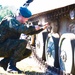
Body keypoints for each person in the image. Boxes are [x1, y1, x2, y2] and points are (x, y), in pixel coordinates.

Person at [0, 6, 49, 73]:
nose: (26, 20)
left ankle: (4, 63)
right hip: (1, 46)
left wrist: (42, 28)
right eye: (25, 18)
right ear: (19, 15)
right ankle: (11, 67)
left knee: (27, 52)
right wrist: (34, 27)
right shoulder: (10, 20)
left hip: (6, 46)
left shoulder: (17, 22)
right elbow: (20, 28)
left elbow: (29, 31)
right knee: (23, 43)